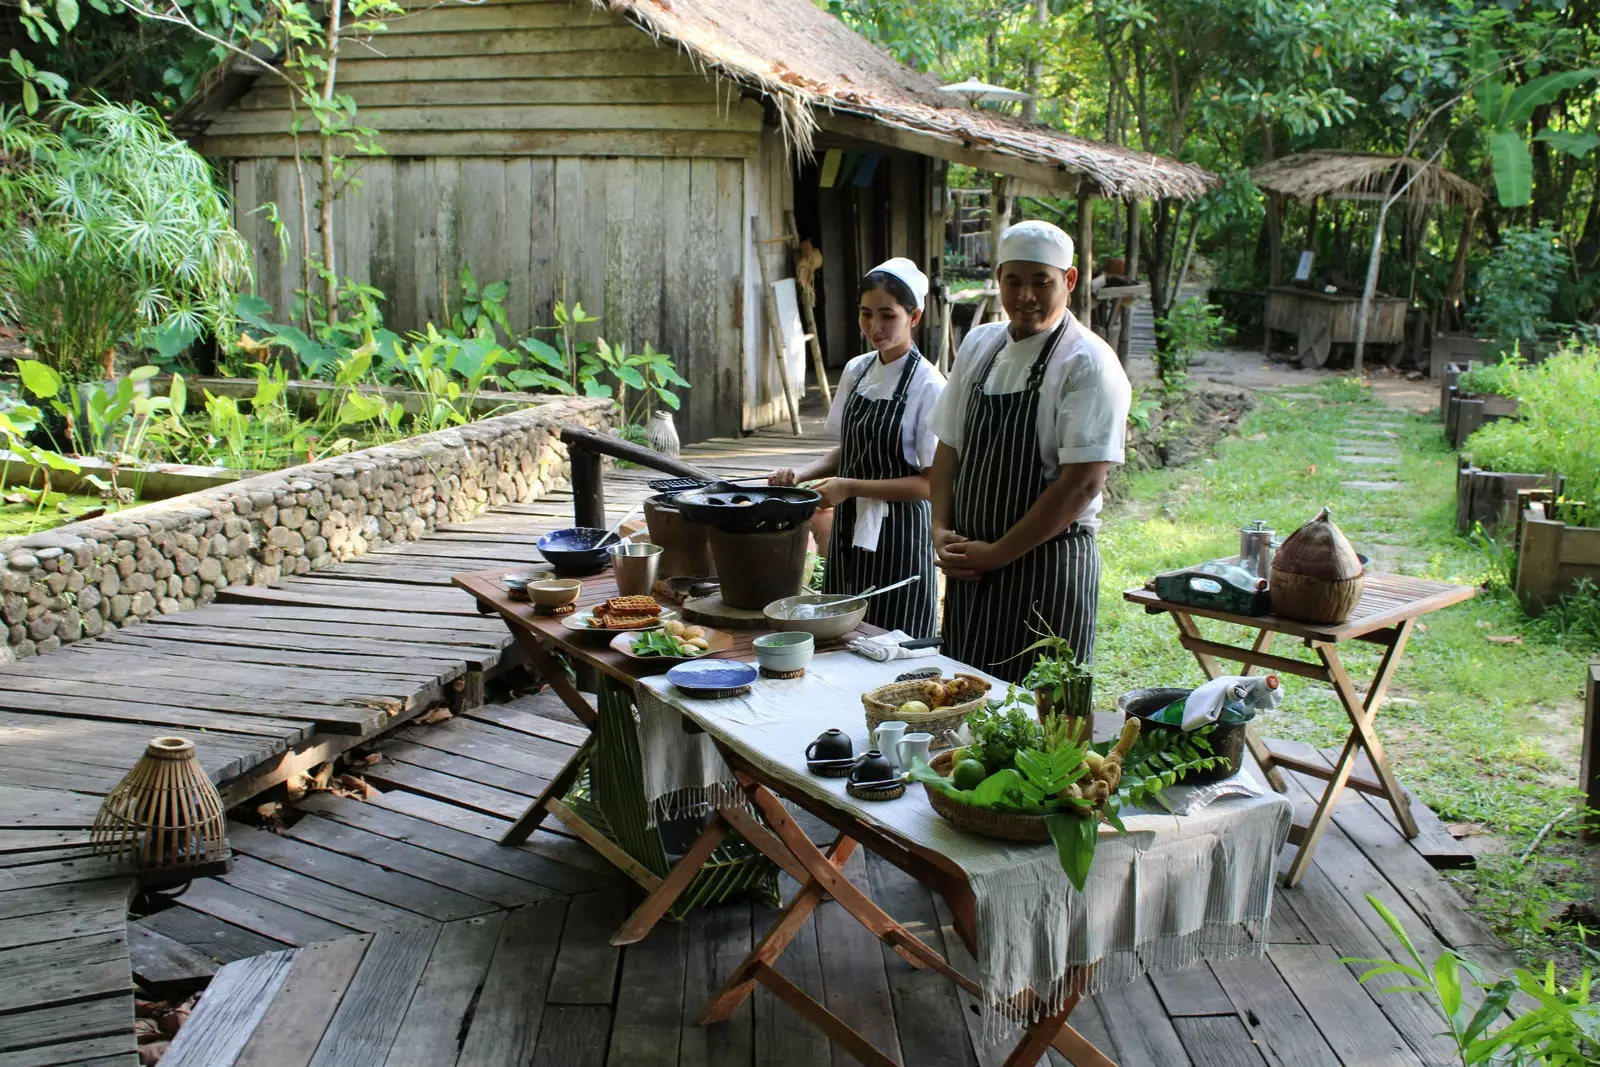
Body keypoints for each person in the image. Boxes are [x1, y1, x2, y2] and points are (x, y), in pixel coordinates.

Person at [930, 220, 1131, 682]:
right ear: (998, 277)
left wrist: (998, 552)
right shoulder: (980, 345)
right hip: (972, 571)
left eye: (1042, 282)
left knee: (1045, 723)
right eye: (1014, 281)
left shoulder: (1088, 363)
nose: (1025, 296)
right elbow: (948, 447)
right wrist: (941, 527)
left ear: (1070, 280)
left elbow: (1082, 483)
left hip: (1047, 568)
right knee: (968, 702)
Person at [770, 258, 945, 637]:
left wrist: (849, 487)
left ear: (913, 317)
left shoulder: (928, 385)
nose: (875, 327)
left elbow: (931, 484)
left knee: (894, 636)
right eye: (866, 314)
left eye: (888, 315)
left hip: (899, 533)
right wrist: (802, 474)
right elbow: (850, 451)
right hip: (850, 525)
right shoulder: (857, 370)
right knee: (843, 631)